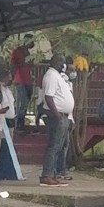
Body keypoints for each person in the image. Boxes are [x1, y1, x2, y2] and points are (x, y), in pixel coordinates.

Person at [40, 55, 74, 187]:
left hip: (64, 116)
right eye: (62, 63)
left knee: (59, 146)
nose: (64, 66)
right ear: (57, 63)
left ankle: (53, 174)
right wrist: (57, 115)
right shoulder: (51, 76)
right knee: (54, 146)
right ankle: (47, 175)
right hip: (56, 116)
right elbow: (49, 97)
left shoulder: (57, 76)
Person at [11, 34, 35, 131]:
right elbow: (13, 65)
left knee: (26, 102)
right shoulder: (17, 51)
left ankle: (21, 123)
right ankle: (19, 124)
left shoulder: (27, 52)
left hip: (28, 80)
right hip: (19, 79)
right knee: (23, 102)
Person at [56, 62, 76, 181]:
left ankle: (62, 169)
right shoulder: (62, 81)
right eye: (71, 70)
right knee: (60, 145)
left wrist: (72, 119)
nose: (74, 73)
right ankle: (59, 170)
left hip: (68, 117)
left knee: (65, 145)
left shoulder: (70, 84)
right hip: (62, 118)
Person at [0, 70, 16, 139]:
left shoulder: (8, 90)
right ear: (3, 78)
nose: (11, 79)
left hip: (11, 119)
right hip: (3, 119)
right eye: (9, 77)